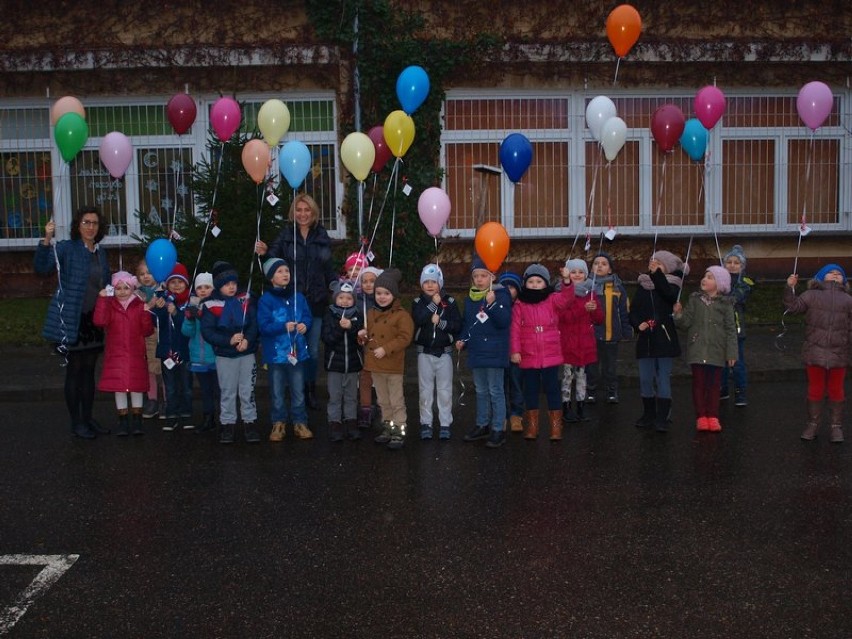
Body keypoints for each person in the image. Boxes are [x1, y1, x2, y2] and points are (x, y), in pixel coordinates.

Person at [256, 194, 337, 411]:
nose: (303, 214)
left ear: (313, 212)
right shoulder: (285, 235)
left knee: (311, 350)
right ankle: (294, 390)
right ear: (293, 212)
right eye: (299, 210)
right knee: (292, 346)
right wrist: (264, 254)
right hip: (292, 302)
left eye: (307, 210)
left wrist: (335, 286)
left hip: (317, 302)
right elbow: (272, 261)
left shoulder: (321, 235)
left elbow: (328, 267)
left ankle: (309, 388)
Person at [35, 206, 111, 439]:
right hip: (72, 319)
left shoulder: (100, 252)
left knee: (89, 372)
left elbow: (104, 283)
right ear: (78, 225)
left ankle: (88, 418)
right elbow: (42, 268)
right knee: (75, 372)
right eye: (86, 222)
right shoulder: (67, 248)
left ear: (100, 227)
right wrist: (47, 239)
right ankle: (76, 422)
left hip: (93, 321)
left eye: (94, 223)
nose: (90, 227)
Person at [783, 264, 852, 443]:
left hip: (839, 352)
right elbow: (793, 307)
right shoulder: (811, 295)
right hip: (815, 350)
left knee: (837, 389)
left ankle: (836, 426)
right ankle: (812, 424)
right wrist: (789, 288)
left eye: (839, 273)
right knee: (816, 388)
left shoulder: (848, 299)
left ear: (844, 280)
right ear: (821, 277)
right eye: (831, 272)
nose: (836, 275)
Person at [510, 263, 573, 441]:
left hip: (550, 353)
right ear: (525, 284)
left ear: (546, 283)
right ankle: (532, 425)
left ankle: (555, 427)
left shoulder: (552, 299)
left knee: (552, 389)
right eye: (531, 281)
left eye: (539, 281)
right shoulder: (520, 304)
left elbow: (567, 299)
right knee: (530, 390)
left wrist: (567, 281)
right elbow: (514, 330)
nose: (535, 284)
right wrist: (515, 350)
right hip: (528, 354)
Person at [456, 256, 512, 448]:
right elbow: (468, 323)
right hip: (477, 350)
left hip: (495, 351)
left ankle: (498, 428)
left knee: (495, 390)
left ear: (492, 277)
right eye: (476, 276)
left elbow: (504, 321)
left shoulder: (502, 295)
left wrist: (493, 304)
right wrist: (463, 338)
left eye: (483, 276)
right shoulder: (471, 298)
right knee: (480, 390)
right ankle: (482, 424)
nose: (479, 280)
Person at [201, 261, 259, 444]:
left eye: (234, 283)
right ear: (219, 285)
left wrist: (248, 340)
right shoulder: (210, 305)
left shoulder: (245, 300)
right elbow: (208, 332)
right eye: (227, 284)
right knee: (227, 391)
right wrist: (228, 340)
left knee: (247, 391)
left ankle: (250, 423)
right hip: (225, 355)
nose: (232, 287)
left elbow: (253, 324)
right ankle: (227, 425)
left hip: (246, 354)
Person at [673, 266, 738, 432]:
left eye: (710, 277)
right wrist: (678, 315)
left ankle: (713, 416)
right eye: (704, 275)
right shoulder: (695, 300)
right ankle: (701, 416)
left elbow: (731, 330)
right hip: (697, 349)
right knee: (699, 383)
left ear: (720, 284)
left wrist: (731, 352)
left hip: (717, 350)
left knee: (714, 385)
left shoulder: (726, 304)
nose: (704, 279)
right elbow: (685, 323)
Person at [629, 250, 686, 433]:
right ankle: (648, 413)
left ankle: (663, 416)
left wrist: (657, 276)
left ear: (666, 268)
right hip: (646, 339)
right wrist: (638, 324)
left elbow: (668, 295)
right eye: (653, 262)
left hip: (664, 338)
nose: (654, 265)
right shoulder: (643, 285)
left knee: (662, 378)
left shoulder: (673, 285)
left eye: (659, 264)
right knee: (645, 378)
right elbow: (634, 311)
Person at [257, 257, 313, 442]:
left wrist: (305, 324)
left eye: (286, 271)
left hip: (296, 353)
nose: (284, 274)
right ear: (271, 277)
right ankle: (278, 422)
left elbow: (307, 316)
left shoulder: (299, 296)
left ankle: (300, 421)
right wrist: (282, 327)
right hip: (276, 356)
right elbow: (263, 326)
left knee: (298, 390)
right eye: (279, 271)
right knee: (277, 391)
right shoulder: (266, 300)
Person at [93, 271, 154, 436]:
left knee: (136, 387)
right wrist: (102, 300)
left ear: (132, 288)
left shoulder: (140, 305)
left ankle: (137, 420)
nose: (122, 291)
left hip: (135, 354)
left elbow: (147, 330)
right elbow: (100, 321)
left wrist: (147, 313)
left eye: (126, 288)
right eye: (118, 288)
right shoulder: (110, 305)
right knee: (118, 388)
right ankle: (122, 420)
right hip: (116, 354)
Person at [357, 268, 413, 450]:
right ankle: (388, 427)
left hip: (393, 365)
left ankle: (399, 430)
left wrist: (386, 349)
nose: (382, 297)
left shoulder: (402, 315)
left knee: (396, 400)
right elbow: (370, 338)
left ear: (394, 295)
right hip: (375, 364)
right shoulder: (372, 313)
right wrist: (363, 336)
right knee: (382, 400)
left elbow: (405, 338)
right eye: (379, 293)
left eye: (386, 293)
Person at [412, 263, 462, 441]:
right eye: (426, 282)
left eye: (434, 281)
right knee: (425, 390)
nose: (430, 285)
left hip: (444, 353)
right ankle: (426, 423)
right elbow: (419, 319)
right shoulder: (418, 302)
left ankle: (445, 423)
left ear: (440, 283)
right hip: (424, 353)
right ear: (421, 284)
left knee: (444, 390)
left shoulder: (450, 302)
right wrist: (432, 306)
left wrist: (441, 323)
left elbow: (457, 325)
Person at [559, 258, 603, 424]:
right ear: (567, 274)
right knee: (567, 376)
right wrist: (582, 309)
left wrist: (594, 310)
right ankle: (566, 406)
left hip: (585, 342)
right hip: (568, 342)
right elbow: (563, 318)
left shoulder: (591, 293)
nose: (577, 275)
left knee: (582, 376)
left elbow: (599, 319)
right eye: (573, 272)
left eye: (580, 272)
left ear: (586, 275)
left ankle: (581, 406)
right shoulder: (562, 293)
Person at [150, 263, 193, 431]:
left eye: (180, 281)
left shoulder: (189, 302)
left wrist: (176, 313)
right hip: (167, 352)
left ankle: (186, 412)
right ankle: (171, 414)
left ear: (186, 284)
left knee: (186, 386)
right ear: (167, 284)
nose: (176, 285)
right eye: (172, 282)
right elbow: (155, 323)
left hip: (185, 351)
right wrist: (158, 308)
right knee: (170, 386)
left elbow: (188, 326)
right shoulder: (162, 299)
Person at [587, 252, 633, 405]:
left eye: (604, 264)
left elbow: (624, 311)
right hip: (591, 335)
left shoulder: (617, 288)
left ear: (610, 270)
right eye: (596, 263)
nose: (599, 265)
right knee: (591, 366)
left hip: (611, 334)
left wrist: (626, 330)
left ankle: (611, 390)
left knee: (610, 367)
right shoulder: (587, 287)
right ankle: (591, 390)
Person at [322, 280, 364, 442]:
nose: (345, 301)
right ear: (335, 298)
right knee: (335, 395)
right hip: (335, 365)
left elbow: (360, 338)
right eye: (341, 297)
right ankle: (334, 422)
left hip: (353, 364)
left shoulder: (357, 315)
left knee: (351, 396)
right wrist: (340, 328)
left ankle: (351, 421)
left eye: (349, 298)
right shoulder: (330, 314)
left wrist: (352, 329)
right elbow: (327, 338)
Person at [181, 272, 219, 433]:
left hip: (216, 357)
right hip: (199, 357)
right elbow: (186, 332)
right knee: (205, 390)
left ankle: (224, 419)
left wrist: (204, 317)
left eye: (207, 287)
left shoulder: (217, 305)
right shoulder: (192, 306)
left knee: (219, 389)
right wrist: (189, 319)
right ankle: (208, 418)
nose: (203, 290)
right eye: (199, 287)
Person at [721, 245, 754, 406]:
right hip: (720, 329)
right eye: (729, 262)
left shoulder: (745, 281)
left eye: (736, 263)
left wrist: (726, 296)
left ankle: (740, 392)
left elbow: (739, 295)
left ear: (742, 266)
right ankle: (723, 388)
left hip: (736, 329)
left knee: (738, 362)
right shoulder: (719, 279)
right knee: (721, 362)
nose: (732, 265)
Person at [135, 259, 165, 419]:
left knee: (166, 368)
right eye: (142, 274)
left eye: (149, 273)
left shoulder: (164, 289)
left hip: (164, 333)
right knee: (151, 368)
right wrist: (148, 305)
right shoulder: (137, 294)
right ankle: (152, 399)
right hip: (148, 335)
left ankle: (167, 400)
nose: (146, 276)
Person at [357, 265, 383, 429]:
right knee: (365, 380)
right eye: (364, 281)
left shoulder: (384, 299)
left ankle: (382, 408)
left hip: (381, 348)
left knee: (380, 380)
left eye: (372, 281)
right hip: (364, 348)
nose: (368, 285)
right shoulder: (358, 301)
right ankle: (365, 410)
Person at [499, 271, 525, 433]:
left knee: (516, 384)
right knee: (500, 386)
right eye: (505, 287)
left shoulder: (521, 307)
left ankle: (516, 415)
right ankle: (502, 415)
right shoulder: (496, 304)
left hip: (516, 353)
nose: (509, 290)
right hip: (500, 352)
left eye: (512, 287)